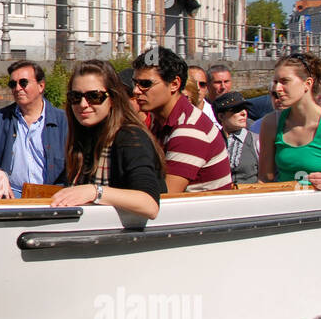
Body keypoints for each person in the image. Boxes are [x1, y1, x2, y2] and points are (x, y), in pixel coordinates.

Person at [50, 59, 165, 218]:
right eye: (75, 96)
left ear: (113, 98)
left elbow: (149, 204)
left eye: (94, 96)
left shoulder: (130, 137)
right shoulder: (83, 137)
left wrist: (94, 192)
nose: (83, 104)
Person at [132, 46, 232, 193]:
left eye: (145, 84)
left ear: (174, 84)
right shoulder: (161, 120)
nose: (136, 90)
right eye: (135, 83)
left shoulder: (189, 130)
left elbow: (164, 198)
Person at [257, 53, 321, 189]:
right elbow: (264, 178)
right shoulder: (271, 123)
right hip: (284, 203)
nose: (277, 89)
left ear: (307, 84)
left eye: (285, 81)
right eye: (276, 82)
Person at [0, 61, 68, 198]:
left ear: (41, 86)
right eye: (13, 84)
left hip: (53, 197)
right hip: (10, 196)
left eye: (23, 83)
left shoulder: (63, 121)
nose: (17, 88)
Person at [213, 90, 259, 185]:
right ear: (221, 116)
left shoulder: (257, 141)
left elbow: (267, 177)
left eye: (245, 108)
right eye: (236, 109)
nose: (243, 113)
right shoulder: (212, 141)